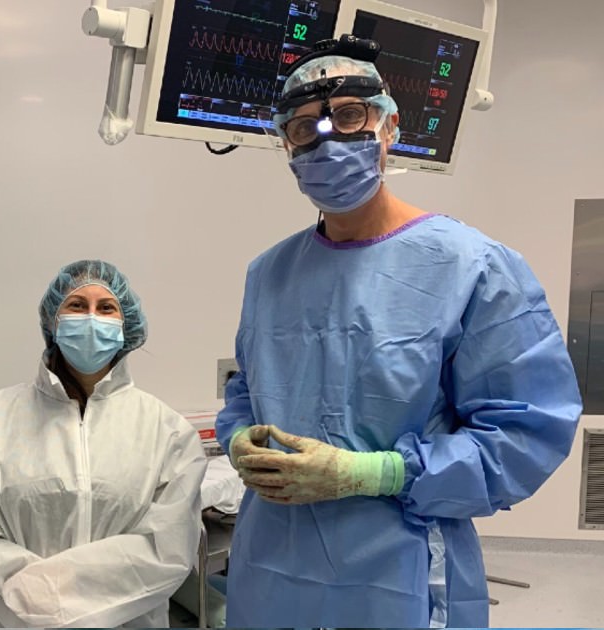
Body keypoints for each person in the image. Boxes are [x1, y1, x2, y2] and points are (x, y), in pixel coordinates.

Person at [217, 36, 583, 628]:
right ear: (285, 143)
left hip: (401, 571)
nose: (328, 140)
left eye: (349, 116)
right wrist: (238, 437)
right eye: (305, 126)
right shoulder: (270, 273)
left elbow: (525, 434)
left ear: (389, 127)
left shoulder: (472, 267)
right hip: (272, 567)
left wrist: (378, 473)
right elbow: (248, 392)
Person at [0, 260, 207, 628]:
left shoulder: (166, 430)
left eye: (106, 308)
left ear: (126, 324)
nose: (91, 317)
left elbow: (166, 549)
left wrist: (50, 598)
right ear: (53, 322)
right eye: (76, 305)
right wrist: (34, 603)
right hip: (12, 620)